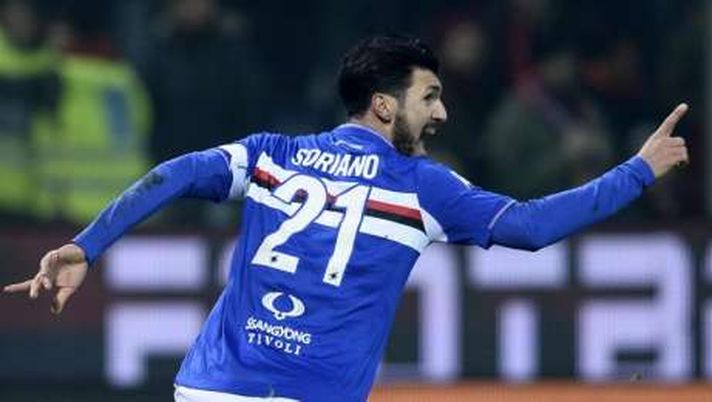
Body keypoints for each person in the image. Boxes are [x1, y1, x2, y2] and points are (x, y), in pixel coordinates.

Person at [2, 35, 689, 402]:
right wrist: (637, 170)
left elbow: (176, 172)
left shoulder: (274, 155)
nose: (443, 112)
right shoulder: (424, 187)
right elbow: (533, 228)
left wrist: (87, 246)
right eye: (429, 97)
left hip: (211, 388)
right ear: (384, 106)